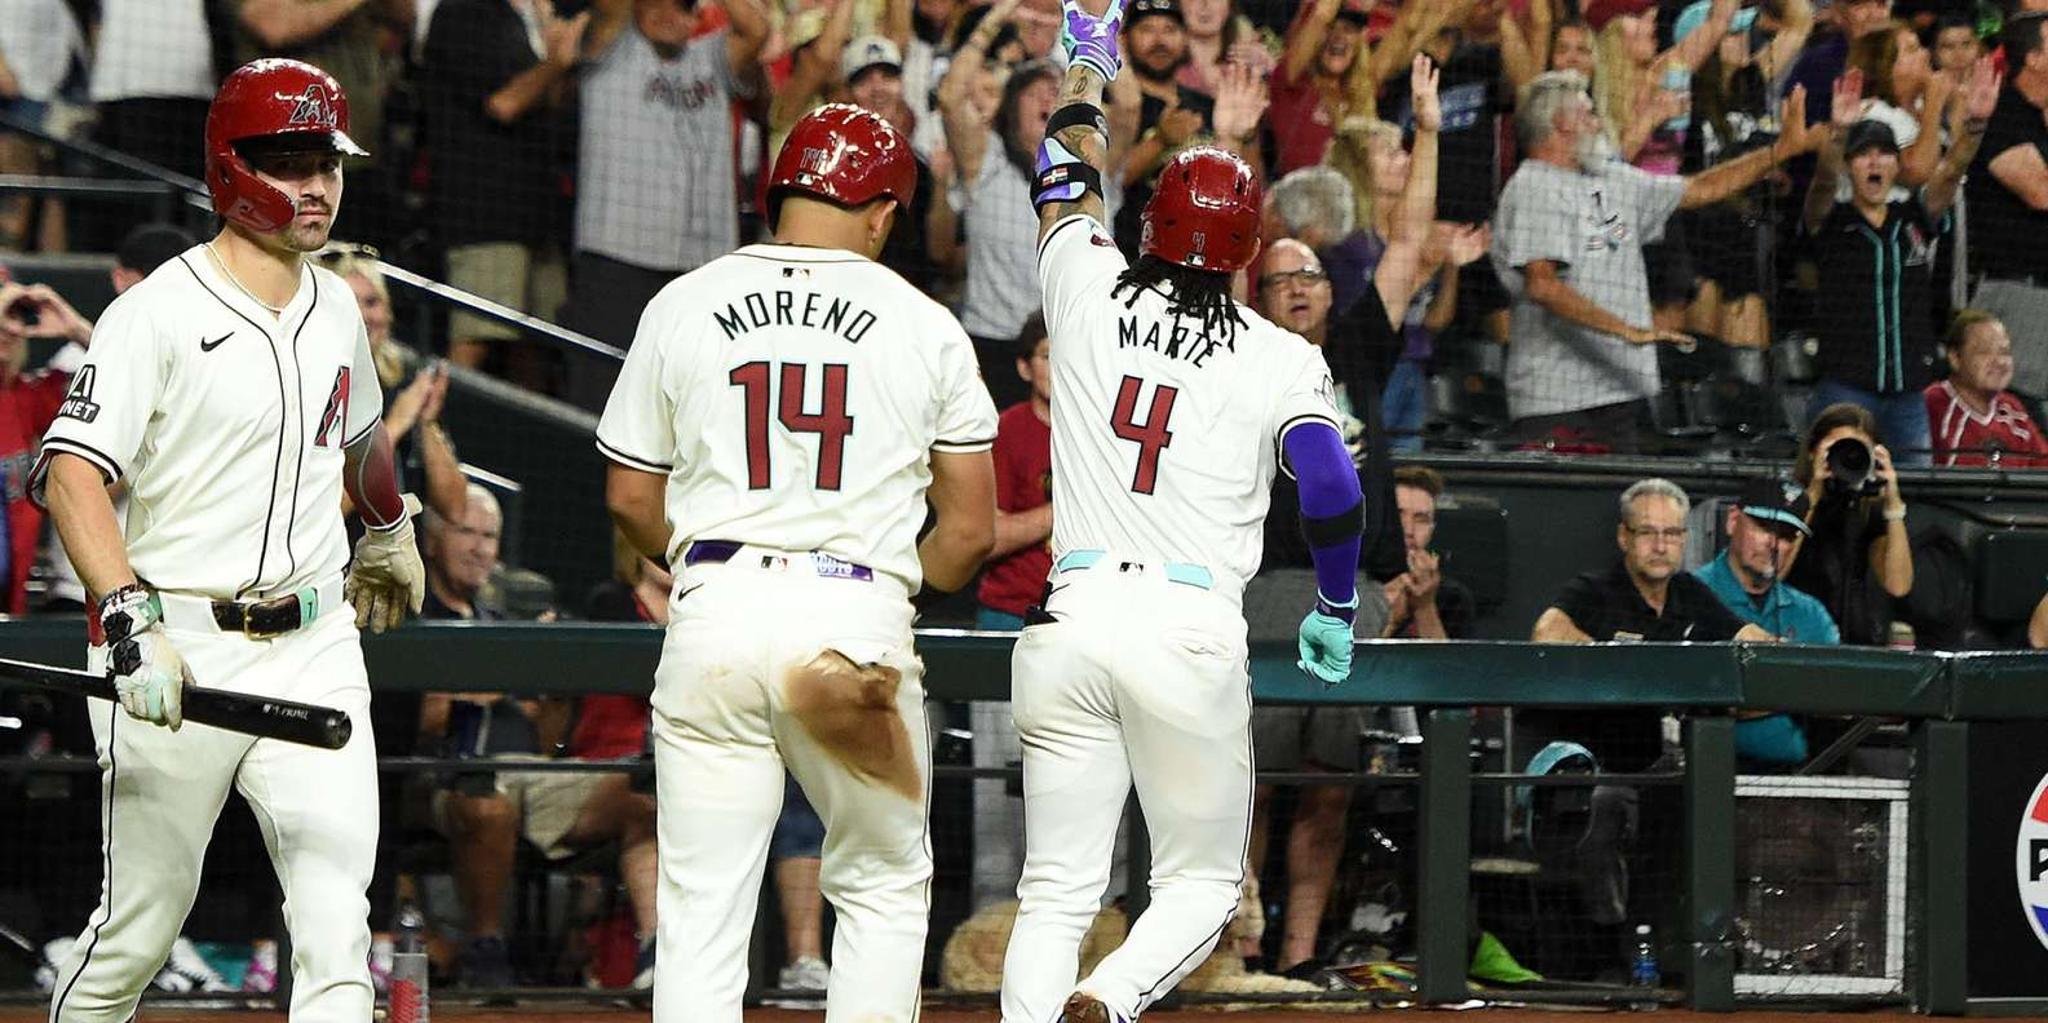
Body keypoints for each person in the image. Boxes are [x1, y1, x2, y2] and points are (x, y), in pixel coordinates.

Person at [1000, 0, 1447, 1007]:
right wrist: (1335, 606)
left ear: (1151, 225)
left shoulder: (1084, 280)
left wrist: (1084, 62)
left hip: (1067, 620)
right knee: (1200, 887)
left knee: (1056, 891)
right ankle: (1107, 1002)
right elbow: (1331, 486)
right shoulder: (1279, 354)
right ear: (1247, 248)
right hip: (1189, 627)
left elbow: (1065, 171)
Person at [30, 59, 426, 1023]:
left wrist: (385, 524)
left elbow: (362, 433)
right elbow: (72, 474)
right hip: (176, 646)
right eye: (292, 161)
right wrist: (128, 619)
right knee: (140, 928)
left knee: (338, 928)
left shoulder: (338, 304)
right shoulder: (152, 312)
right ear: (231, 167)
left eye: (326, 161)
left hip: (313, 641)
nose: (318, 185)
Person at [597, 103, 997, 1022]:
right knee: (884, 885)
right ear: (885, 212)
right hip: (851, 614)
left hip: (717, 612)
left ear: (779, 192)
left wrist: (698, 560)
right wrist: (910, 583)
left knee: (699, 909)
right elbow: (971, 530)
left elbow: (626, 494)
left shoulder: (683, 299)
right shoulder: (924, 321)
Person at [1489, 70, 1826, 451]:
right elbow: (1542, 284)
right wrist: (1627, 330)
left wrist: (1778, 151)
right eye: (1588, 114)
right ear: (1561, 124)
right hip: (1557, 400)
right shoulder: (1534, 185)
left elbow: (1700, 188)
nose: (1598, 123)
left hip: (1621, 392)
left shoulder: (1611, 177)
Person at [419, 485, 658, 988]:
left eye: (490, 537)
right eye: (467, 532)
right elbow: (419, 724)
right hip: (441, 778)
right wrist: (480, 690)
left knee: (647, 795)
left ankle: (657, 952)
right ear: (433, 542)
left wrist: (551, 695)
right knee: (486, 798)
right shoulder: (416, 608)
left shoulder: (504, 619)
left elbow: (551, 743)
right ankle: (486, 948)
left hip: (534, 774)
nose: (481, 548)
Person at [564, 0, 771, 409]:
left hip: (701, 272)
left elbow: (757, 32)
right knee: (603, 405)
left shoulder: (709, 56)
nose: (666, 12)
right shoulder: (611, 46)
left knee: (694, 408)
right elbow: (609, 11)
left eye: (681, 5)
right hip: (617, 262)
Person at [1802, 64, 1994, 465]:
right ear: (1851, 167)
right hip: (1846, 389)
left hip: (1909, 392)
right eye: (1863, 155)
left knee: (1917, 499)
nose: (1874, 163)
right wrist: (1837, 134)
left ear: (1896, 165)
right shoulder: (1832, 222)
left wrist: (1974, 125)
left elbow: (1950, 172)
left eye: (1884, 154)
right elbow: (1821, 183)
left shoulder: (1912, 219)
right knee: (1834, 491)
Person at [1530, 478, 1773, 770]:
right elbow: (1547, 634)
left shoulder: (1691, 592)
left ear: (1684, 538)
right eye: (1647, 532)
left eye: (1671, 533)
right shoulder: (1594, 591)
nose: (1660, 546)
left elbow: (1759, 645)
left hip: (1671, 773)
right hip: (1595, 772)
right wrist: (1636, 673)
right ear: (1624, 536)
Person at [421, 0, 581, 391]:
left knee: (536, 345)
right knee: (476, 340)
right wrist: (557, 61)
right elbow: (503, 103)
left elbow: (551, 101)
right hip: (483, 214)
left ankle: (523, 450)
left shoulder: (529, 17)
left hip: (537, 213)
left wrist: (555, 61)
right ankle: (436, 443)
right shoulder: (463, 12)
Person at [1693, 477, 1840, 767]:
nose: (1774, 544)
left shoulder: (1810, 613)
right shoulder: (1690, 593)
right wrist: (1796, 692)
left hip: (1796, 779)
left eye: (1786, 536)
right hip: (1703, 774)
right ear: (1733, 520)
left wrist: (1749, 697)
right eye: (1764, 528)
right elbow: (1695, 696)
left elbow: (1835, 697)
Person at [1108, 0, 1265, 255]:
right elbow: (1106, 181)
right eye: (1147, 29)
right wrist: (1159, 141)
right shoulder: (1116, 105)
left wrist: (1245, 137)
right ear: (1125, 39)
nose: (1160, 41)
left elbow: (1250, 189)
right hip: (1133, 252)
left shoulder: (1209, 105)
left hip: (1202, 250)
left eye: (1170, 30)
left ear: (1184, 41)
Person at [1965, 12, 2048, 400]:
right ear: (2034, 57)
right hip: (2021, 292)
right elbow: (2040, 192)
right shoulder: (2003, 114)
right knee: (2026, 405)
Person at [1785, 402, 1913, 647]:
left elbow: (1898, 585)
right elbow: (1778, 570)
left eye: (1858, 450)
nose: (1847, 457)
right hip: (1799, 633)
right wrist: (1812, 494)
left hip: (1855, 637)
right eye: (1837, 448)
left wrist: (1893, 502)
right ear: (1813, 451)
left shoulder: (1867, 510)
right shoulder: (1789, 500)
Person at [1926, 309, 2048, 467]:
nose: (1999, 362)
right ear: (1955, 358)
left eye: (2004, 352)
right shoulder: (1932, 406)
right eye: (1985, 352)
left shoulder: (2013, 410)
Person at [1380, 465, 1475, 639]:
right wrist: (1389, 620)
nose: (1408, 530)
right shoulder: (1344, 588)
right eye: (1398, 516)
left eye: (1421, 520)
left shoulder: (1452, 598)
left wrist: (1425, 606)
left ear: (1432, 530)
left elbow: (1446, 665)